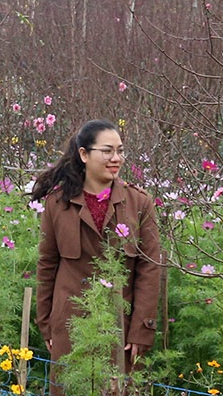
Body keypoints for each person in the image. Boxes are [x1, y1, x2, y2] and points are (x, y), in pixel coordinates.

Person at [30, 119, 165, 372]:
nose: (116, 158)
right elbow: (47, 265)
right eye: (107, 151)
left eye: (120, 151)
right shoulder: (58, 203)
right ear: (84, 154)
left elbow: (150, 268)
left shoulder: (139, 202)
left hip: (119, 328)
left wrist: (141, 330)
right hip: (70, 325)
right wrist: (47, 324)